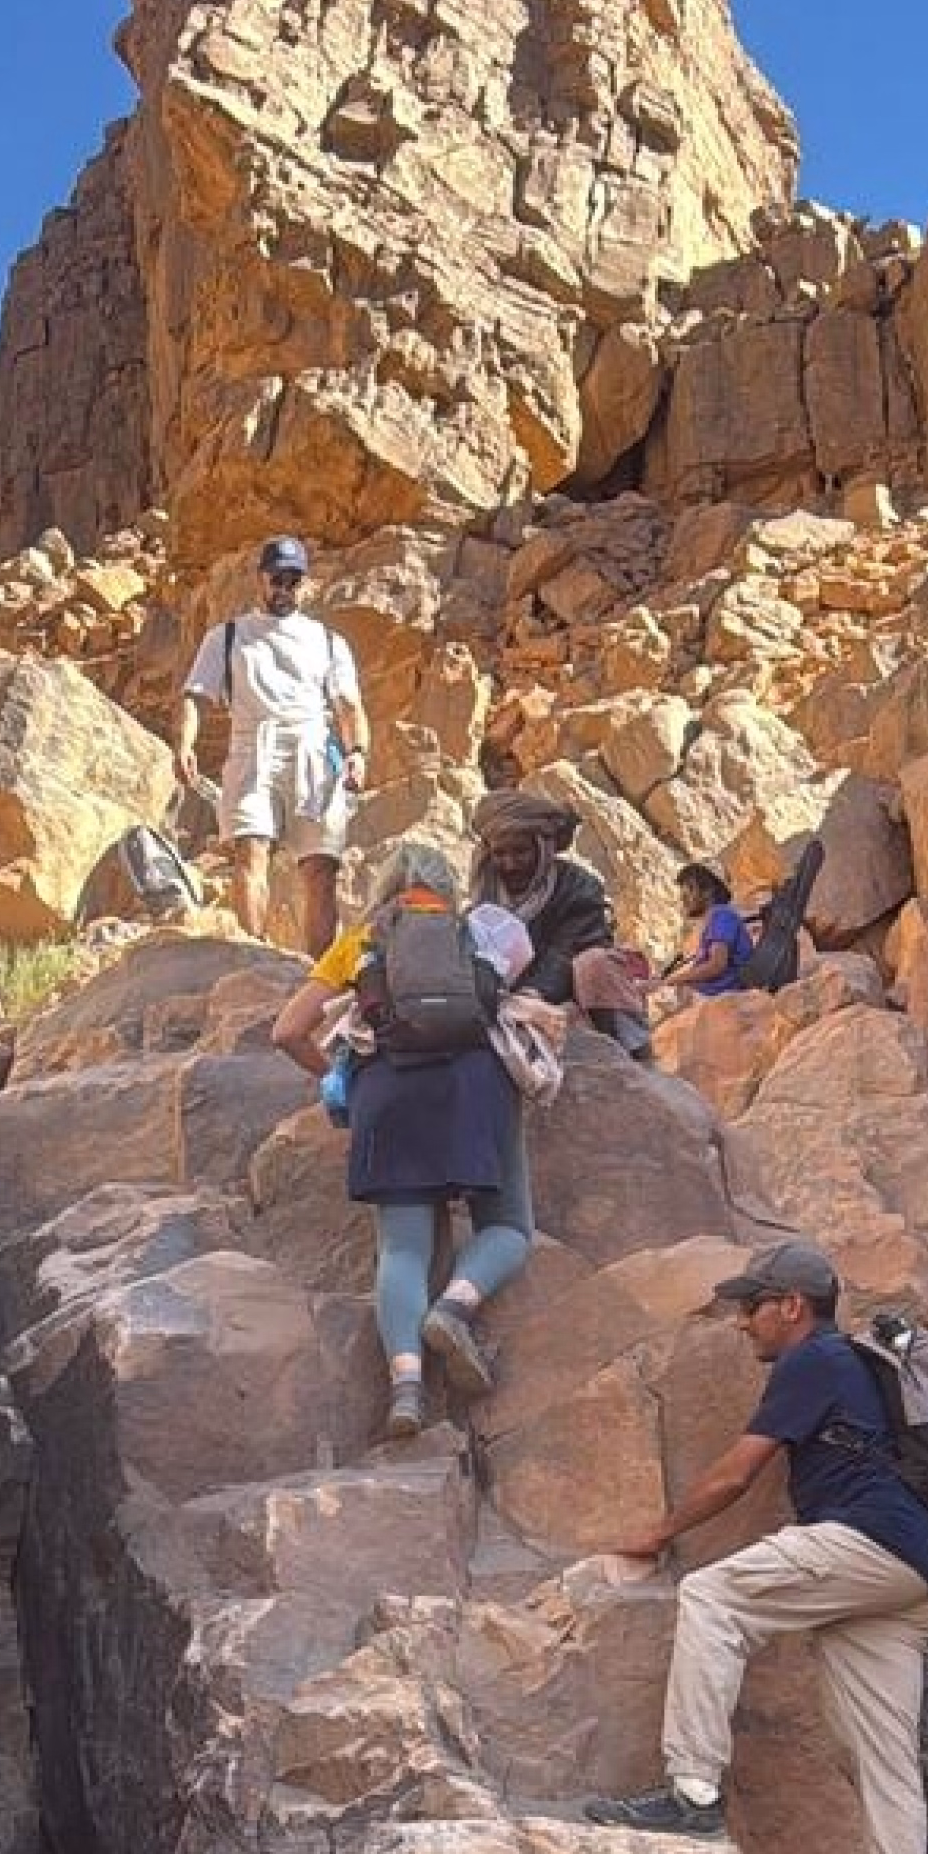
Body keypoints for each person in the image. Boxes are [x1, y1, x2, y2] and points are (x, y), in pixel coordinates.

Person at [582, 1239, 928, 1854]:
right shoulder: (857, 1367)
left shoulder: (815, 1358)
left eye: (751, 1306)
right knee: (883, 1759)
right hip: (917, 1574)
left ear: (792, 1306)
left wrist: (658, 1531)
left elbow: (736, 1472)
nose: (740, 1321)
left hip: (868, 1540)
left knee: (713, 1597)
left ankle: (692, 1792)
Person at [270, 842, 534, 1437]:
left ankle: (407, 1391)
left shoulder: (360, 941)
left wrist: (335, 1077)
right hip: (476, 1089)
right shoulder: (482, 932)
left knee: (403, 1251)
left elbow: (287, 1031)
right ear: (448, 888)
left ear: (385, 888)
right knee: (509, 1226)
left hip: (388, 1090)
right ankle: (454, 1307)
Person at [175, 533, 369, 958]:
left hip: (313, 752)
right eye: (277, 579)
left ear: (305, 584)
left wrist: (356, 753)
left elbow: (349, 706)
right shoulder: (227, 637)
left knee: (320, 866)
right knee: (251, 850)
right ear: (260, 580)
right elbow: (195, 695)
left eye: (293, 580)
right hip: (252, 749)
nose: (284, 588)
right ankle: (256, 957)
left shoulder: (327, 641)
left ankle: (319, 972)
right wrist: (185, 744)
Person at [469, 789, 652, 1058]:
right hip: (509, 999)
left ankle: (634, 1055)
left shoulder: (580, 886)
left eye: (520, 852)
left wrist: (533, 996)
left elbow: (565, 951)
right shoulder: (486, 896)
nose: (510, 864)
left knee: (595, 963)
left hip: (572, 995)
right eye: (500, 854)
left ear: (542, 848)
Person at [664, 861, 755, 998]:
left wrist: (674, 980)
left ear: (708, 891)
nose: (683, 896)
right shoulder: (716, 918)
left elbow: (716, 964)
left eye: (690, 888)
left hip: (723, 996)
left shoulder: (722, 915)